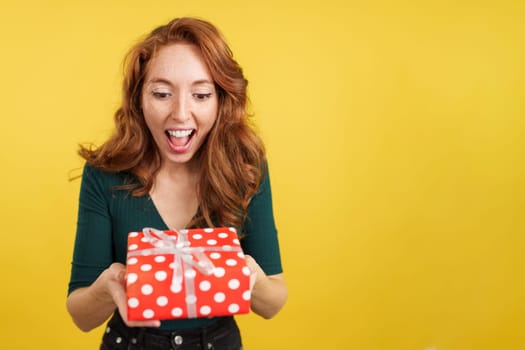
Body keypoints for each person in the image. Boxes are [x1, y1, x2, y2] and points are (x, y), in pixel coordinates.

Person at [66, 17, 287, 350]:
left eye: (200, 94)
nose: (181, 114)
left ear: (221, 101)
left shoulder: (246, 170)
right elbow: (81, 316)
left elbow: (272, 303)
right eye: (162, 93)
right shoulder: (104, 175)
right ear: (139, 99)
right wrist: (106, 286)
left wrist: (249, 274)